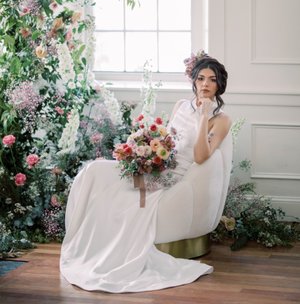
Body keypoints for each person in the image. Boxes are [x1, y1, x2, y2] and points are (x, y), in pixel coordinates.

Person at [60, 51, 231, 293]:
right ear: (193, 81)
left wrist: (204, 115)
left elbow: (201, 156)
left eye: (212, 79)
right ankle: (81, 240)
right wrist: (146, 154)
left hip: (175, 177)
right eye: (201, 78)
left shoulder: (221, 119)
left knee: (123, 194)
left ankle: (110, 251)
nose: (205, 84)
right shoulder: (181, 105)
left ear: (219, 85)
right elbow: (167, 141)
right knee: (94, 171)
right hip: (157, 166)